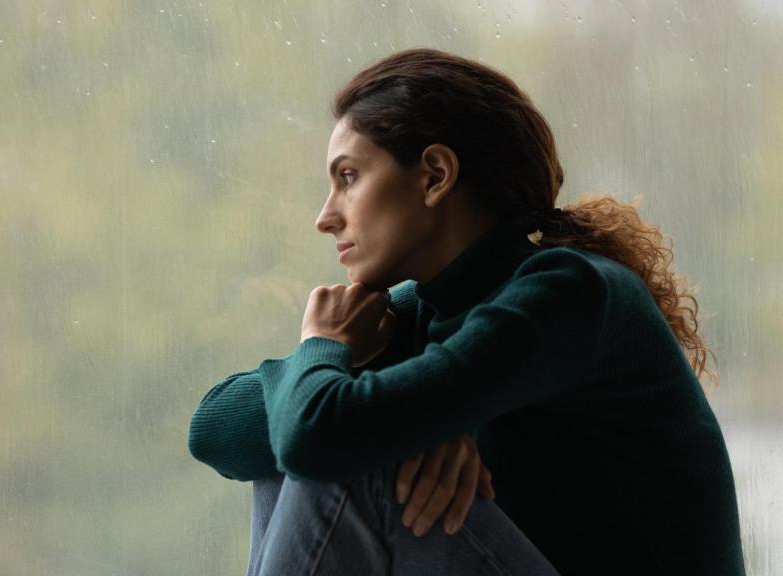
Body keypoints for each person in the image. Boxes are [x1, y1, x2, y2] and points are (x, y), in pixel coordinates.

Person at [187, 47, 745, 575]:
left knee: (341, 449)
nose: (325, 217)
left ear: (434, 175)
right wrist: (404, 417)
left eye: (348, 177)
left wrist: (322, 349)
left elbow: (317, 438)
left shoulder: (569, 292)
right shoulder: (421, 310)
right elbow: (213, 429)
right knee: (303, 443)